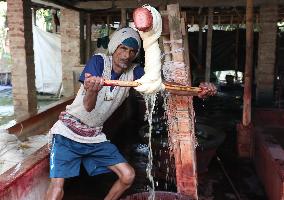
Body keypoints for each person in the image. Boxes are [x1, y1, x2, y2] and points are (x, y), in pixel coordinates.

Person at [45, 27, 216, 200]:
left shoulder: (134, 72)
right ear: (114, 48)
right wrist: (92, 90)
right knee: (58, 188)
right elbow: (88, 107)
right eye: (123, 49)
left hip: (93, 135)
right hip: (67, 133)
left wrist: (196, 91)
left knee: (127, 176)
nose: (127, 56)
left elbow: (165, 88)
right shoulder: (99, 62)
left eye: (132, 51)